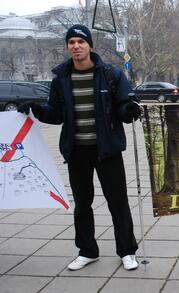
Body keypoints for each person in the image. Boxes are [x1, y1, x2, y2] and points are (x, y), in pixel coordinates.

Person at [18, 24, 141, 271]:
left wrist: (130, 110)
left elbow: (125, 106)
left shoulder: (111, 74)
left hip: (107, 150)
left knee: (118, 202)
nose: (76, 46)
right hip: (77, 151)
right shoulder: (61, 79)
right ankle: (87, 251)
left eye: (81, 42)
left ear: (89, 46)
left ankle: (127, 251)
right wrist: (35, 108)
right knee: (82, 205)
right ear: (68, 47)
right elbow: (56, 116)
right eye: (71, 42)